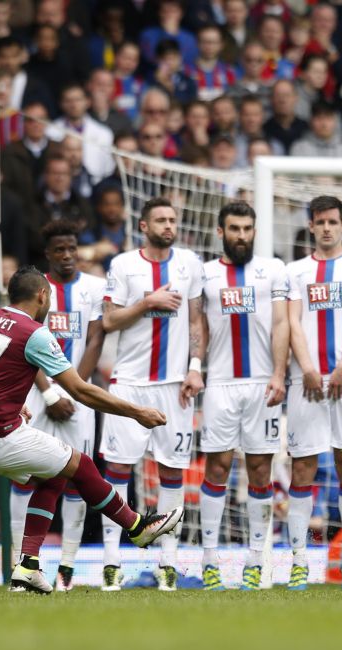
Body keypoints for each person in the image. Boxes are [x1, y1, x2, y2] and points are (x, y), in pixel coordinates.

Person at [0, 267, 182, 594]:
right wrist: (136, 412)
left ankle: (27, 567)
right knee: (81, 464)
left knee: (55, 473)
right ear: (42, 295)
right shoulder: (34, 332)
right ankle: (138, 526)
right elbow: (80, 390)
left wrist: (10, 406)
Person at [99, 196, 206, 592]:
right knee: (118, 469)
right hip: (129, 383)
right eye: (160, 219)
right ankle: (112, 561)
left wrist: (195, 368)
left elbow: (197, 319)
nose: (167, 225)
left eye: (172, 219)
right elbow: (110, 320)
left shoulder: (190, 264)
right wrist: (147, 302)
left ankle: (168, 562)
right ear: (143, 226)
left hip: (174, 385)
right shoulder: (124, 265)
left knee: (172, 470)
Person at [285, 195, 342, 591]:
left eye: (332, 222)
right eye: (320, 222)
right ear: (311, 225)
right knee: (303, 467)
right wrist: (308, 368)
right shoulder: (294, 271)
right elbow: (290, 321)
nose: (326, 227)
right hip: (304, 380)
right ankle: (299, 562)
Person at [196, 201, 289, 591]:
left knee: (260, 471)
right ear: (221, 232)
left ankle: (254, 560)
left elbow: (283, 322)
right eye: (234, 228)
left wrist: (280, 373)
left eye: (247, 228)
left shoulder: (273, 270)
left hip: (261, 383)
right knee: (216, 467)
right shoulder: (205, 274)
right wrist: (194, 368)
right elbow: (198, 324)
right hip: (219, 383)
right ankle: (209, 559)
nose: (241, 235)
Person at [9, 220, 106, 592]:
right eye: (59, 250)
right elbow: (22, 341)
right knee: (27, 478)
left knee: (76, 481)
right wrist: (49, 393)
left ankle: (66, 568)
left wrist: (72, 390)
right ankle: (21, 565)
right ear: (47, 254)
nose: (67, 256)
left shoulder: (94, 288)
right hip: (36, 394)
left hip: (77, 396)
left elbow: (96, 338)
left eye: (71, 248)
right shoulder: (36, 291)